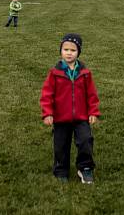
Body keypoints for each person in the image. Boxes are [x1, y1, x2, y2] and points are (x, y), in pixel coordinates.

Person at [40, 33, 100, 184]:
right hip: (61, 118)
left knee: (86, 140)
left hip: (81, 117)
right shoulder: (55, 73)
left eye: (73, 50)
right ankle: (61, 170)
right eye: (65, 49)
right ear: (61, 50)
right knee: (61, 145)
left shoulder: (85, 73)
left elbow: (92, 94)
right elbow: (47, 95)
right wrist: (48, 113)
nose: (69, 53)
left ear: (78, 52)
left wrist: (93, 112)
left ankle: (85, 168)